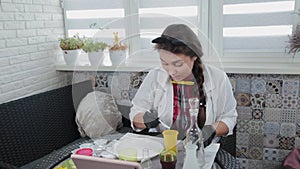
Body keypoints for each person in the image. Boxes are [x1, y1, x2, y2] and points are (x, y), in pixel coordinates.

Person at [129, 24, 237, 147]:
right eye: (164, 63)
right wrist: (145, 120)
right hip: (162, 146)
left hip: (202, 149)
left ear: (194, 56)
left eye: (178, 64)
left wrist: (211, 130)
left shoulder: (218, 78)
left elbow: (229, 118)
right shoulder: (155, 77)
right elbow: (136, 112)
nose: (170, 71)